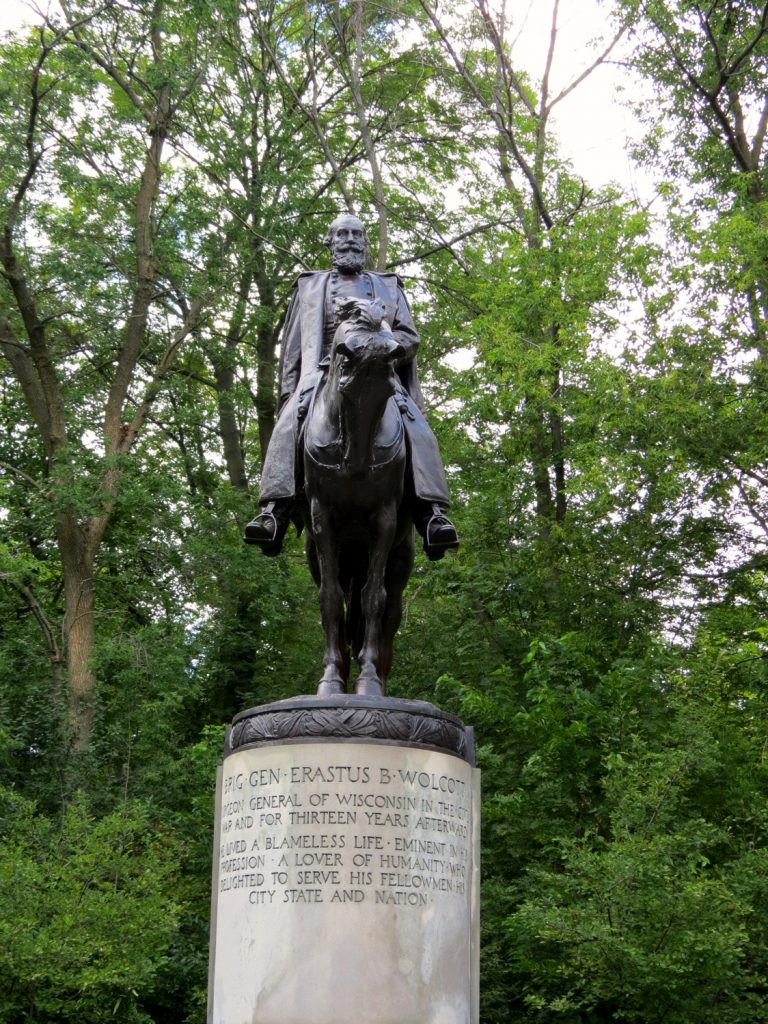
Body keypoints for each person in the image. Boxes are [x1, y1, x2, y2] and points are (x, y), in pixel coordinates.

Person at [244, 214, 459, 559]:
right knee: (287, 424)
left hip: (377, 367)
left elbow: (410, 337)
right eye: (341, 234)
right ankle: (275, 510)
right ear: (329, 243)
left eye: (356, 234)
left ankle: (431, 514)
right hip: (321, 375)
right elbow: (294, 350)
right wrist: (289, 395)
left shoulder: (388, 286)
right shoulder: (309, 286)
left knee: (416, 426)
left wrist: (386, 347)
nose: (349, 240)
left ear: (365, 243)